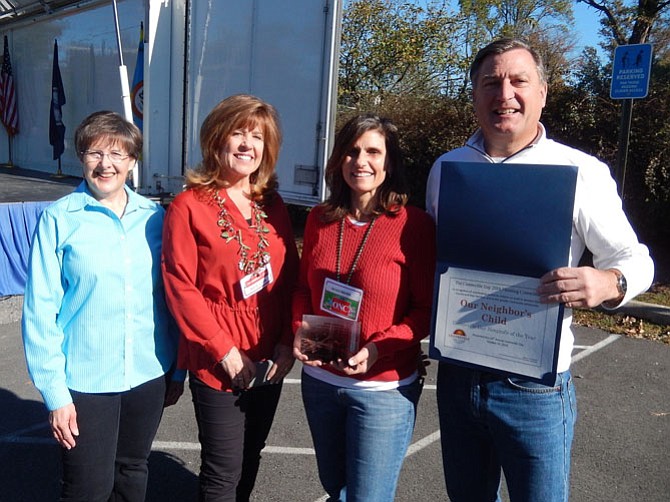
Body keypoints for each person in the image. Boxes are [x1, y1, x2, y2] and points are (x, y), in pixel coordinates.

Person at [426, 38, 655, 502]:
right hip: (457, 376)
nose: (504, 93)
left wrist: (607, 282)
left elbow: (636, 259)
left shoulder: (579, 171)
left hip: (531, 389)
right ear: (474, 95)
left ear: (543, 93)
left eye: (518, 81)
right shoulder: (447, 168)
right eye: (490, 82)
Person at [22, 110, 184, 501]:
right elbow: (40, 311)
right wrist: (56, 395)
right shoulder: (59, 219)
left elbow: (171, 300)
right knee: (87, 487)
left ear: (132, 161)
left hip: (148, 372)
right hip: (86, 380)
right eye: (95, 153)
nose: (106, 164)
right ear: (82, 157)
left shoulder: (155, 219)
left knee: (132, 473)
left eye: (118, 155)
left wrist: (177, 371)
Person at [161, 94, 299, 502]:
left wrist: (288, 342)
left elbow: (291, 277)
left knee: (251, 456)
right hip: (217, 354)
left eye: (256, 136)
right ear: (216, 140)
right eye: (237, 132)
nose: (246, 144)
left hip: (270, 352)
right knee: (222, 472)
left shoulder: (273, 205)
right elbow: (180, 285)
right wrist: (225, 352)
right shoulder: (189, 205)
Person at [292, 114, 436, 501]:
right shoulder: (320, 219)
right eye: (352, 151)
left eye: (373, 151)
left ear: (389, 163)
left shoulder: (414, 226)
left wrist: (378, 348)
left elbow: (423, 311)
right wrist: (299, 332)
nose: (361, 161)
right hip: (322, 385)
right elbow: (303, 290)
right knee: (333, 487)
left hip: (382, 390)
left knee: (367, 497)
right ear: (339, 160)